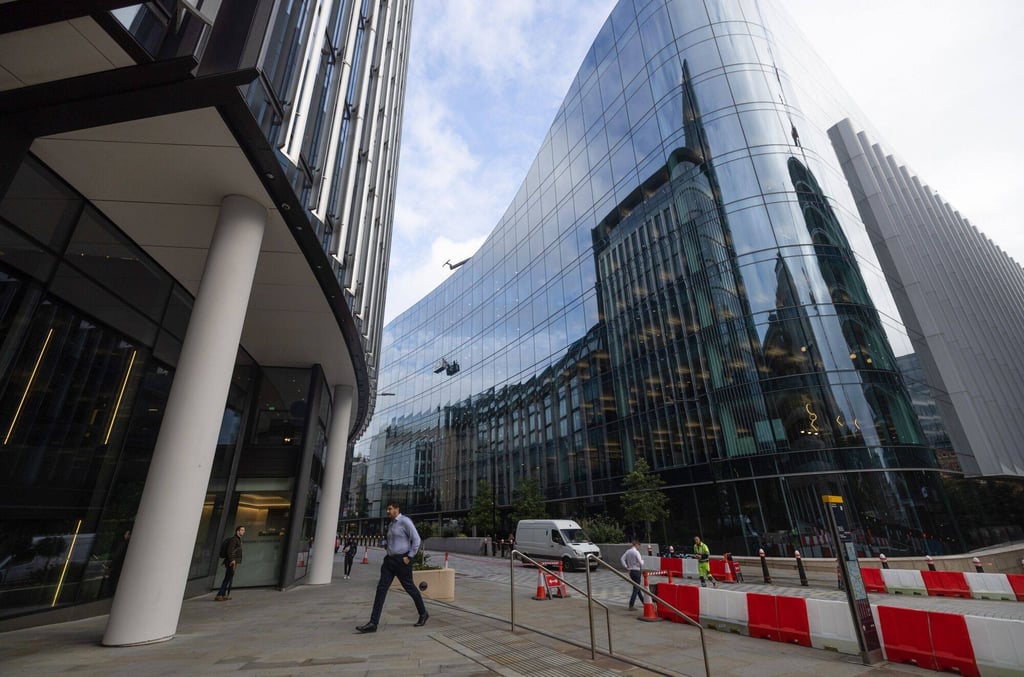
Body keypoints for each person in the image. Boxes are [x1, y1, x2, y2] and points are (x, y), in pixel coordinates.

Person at [356, 503, 428, 633]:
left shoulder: (405, 521)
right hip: (389, 561)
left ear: (397, 509)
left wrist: (409, 557)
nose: (388, 511)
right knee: (381, 589)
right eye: (387, 509)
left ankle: (423, 613)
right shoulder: (390, 524)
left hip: (402, 561)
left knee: (410, 588)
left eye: (390, 509)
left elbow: (416, 539)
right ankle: (373, 623)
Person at [215, 526, 245, 601]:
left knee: (228, 578)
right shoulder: (234, 539)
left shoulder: (238, 539)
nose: (243, 531)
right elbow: (229, 550)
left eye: (244, 530)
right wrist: (232, 560)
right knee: (227, 578)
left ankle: (223, 595)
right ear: (237, 531)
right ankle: (219, 595)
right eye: (242, 530)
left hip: (233, 561)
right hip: (231, 562)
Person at [620, 539, 644, 610]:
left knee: (637, 587)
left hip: (631, 571)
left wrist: (626, 566)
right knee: (636, 589)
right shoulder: (636, 552)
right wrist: (643, 560)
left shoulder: (628, 551)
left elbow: (622, 559)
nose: (639, 547)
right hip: (637, 571)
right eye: (639, 546)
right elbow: (641, 563)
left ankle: (643, 602)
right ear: (636, 545)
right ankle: (631, 605)